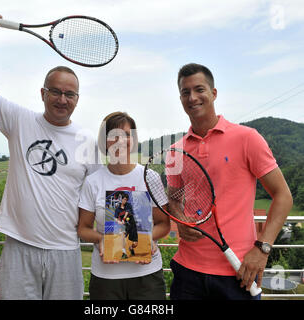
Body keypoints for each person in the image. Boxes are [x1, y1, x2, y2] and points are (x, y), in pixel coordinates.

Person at [0, 12, 98, 300]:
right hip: (18, 247)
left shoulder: (88, 141)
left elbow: (101, 197)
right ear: (42, 93)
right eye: (56, 91)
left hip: (66, 250)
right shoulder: (19, 120)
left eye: (69, 94)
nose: (62, 99)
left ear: (77, 99)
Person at [169, 63, 293, 300]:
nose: (192, 97)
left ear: (213, 93)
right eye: (185, 92)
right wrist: (180, 219)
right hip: (187, 271)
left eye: (199, 89)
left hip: (238, 273)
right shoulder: (176, 151)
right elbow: (174, 198)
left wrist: (263, 248)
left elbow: (283, 196)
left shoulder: (247, 138)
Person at [77, 112, 171, 300]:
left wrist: (147, 239)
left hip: (147, 277)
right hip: (106, 278)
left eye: (127, 135)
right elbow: (83, 229)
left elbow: (164, 224)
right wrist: (101, 239)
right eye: (114, 135)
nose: (121, 141)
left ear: (134, 140)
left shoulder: (149, 177)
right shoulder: (93, 182)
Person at [114, 193, 138, 259]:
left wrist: (123, 219)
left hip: (132, 224)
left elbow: (127, 212)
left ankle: (131, 248)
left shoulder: (128, 205)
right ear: (121, 199)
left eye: (126, 200)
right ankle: (124, 253)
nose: (125, 201)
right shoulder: (117, 209)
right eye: (124, 199)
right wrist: (118, 221)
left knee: (135, 243)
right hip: (124, 226)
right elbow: (115, 218)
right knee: (122, 237)